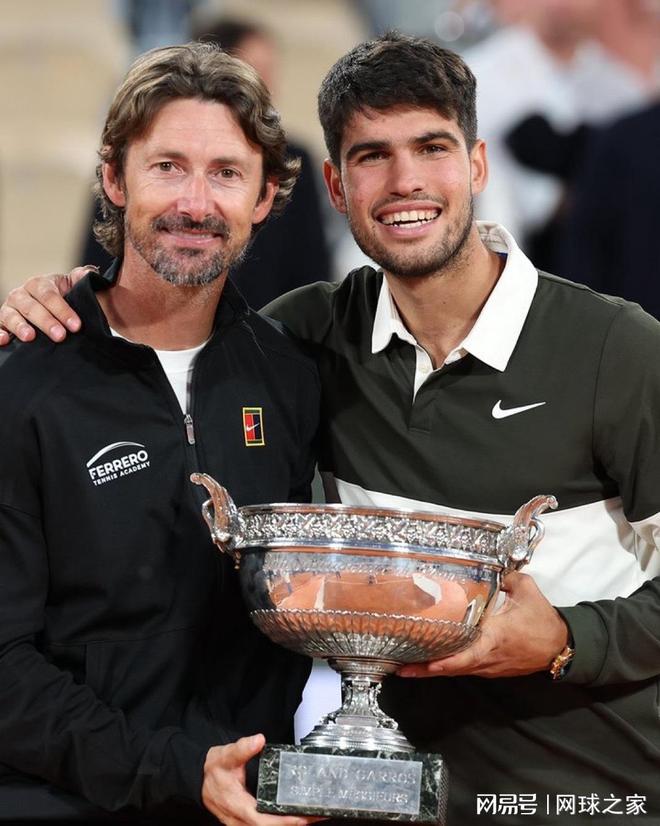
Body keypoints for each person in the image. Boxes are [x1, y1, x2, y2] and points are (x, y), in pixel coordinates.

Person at [2, 31, 660, 825]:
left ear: (477, 165)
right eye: (372, 155)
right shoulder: (308, 342)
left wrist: (569, 640)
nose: (405, 181)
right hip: (355, 801)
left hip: (595, 797)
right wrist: (63, 306)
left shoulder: (614, 348)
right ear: (336, 188)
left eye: (432, 147)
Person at [0, 42, 321, 825]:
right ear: (115, 179)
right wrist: (174, 772)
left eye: (226, 173)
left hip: (247, 806)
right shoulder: (22, 383)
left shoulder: (290, 376)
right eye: (168, 167)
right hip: (62, 803)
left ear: (265, 197)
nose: (195, 203)